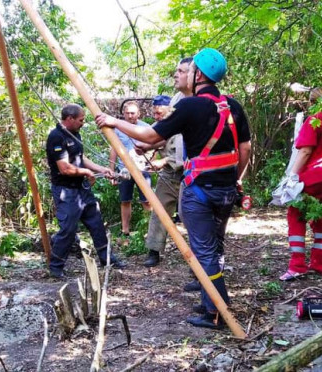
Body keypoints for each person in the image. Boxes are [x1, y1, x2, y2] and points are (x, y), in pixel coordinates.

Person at [97, 48, 252, 329]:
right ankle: (211, 300)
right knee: (214, 248)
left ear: (199, 75)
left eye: (189, 70)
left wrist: (112, 121)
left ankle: (217, 311)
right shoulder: (233, 106)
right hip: (227, 190)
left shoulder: (190, 106)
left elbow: (150, 133)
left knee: (204, 253)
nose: (185, 73)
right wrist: (236, 178)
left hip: (200, 191)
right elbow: (245, 148)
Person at [46, 104, 126, 278]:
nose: (83, 123)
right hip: (66, 192)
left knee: (96, 223)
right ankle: (56, 267)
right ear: (70, 119)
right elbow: (64, 168)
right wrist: (86, 172)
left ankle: (106, 258)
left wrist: (101, 169)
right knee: (68, 229)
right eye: (81, 120)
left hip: (82, 190)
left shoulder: (74, 133)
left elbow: (80, 158)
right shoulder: (56, 137)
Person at [280, 98, 322, 281]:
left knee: (296, 214)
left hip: (312, 176)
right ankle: (320, 264)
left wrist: (292, 176)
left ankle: (297, 265)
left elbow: (305, 151)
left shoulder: (314, 120)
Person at [140, 57, 193, 268]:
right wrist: (148, 146)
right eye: (176, 71)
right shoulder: (175, 103)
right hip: (171, 174)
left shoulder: (203, 102)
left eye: (181, 71)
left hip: (192, 173)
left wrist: (165, 160)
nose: (176, 75)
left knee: (191, 216)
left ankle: (197, 260)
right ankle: (154, 250)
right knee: (160, 211)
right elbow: (164, 135)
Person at [108, 102, 152, 236]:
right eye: (127, 113)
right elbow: (114, 149)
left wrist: (149, 160)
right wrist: (112, 170)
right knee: (125, 200)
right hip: (124, 170)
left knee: (147, 200)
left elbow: (155, 145)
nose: (130, 116)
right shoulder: (118, 129)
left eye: (133, 113)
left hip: (142, 169)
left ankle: (149, 230)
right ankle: (125, 230)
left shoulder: (146, 127)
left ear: (138, 114)